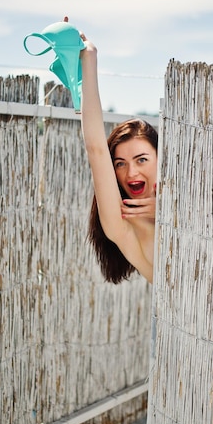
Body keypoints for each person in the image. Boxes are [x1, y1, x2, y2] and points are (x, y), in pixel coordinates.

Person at [74, 21, 158, 284]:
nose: (131, 171)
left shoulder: (195, 203)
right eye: (120, 164)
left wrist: (170, 212)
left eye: (142, 159)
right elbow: (96, 148)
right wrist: (89, 58)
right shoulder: (122, 225)